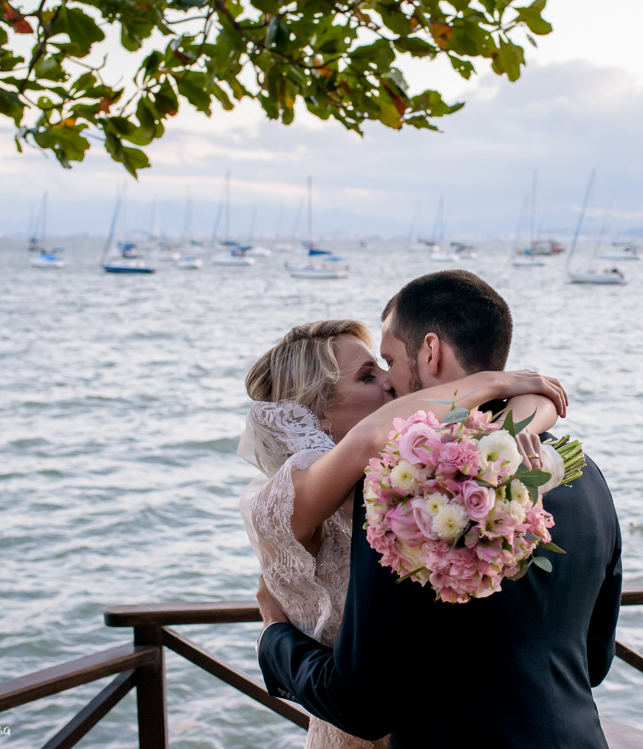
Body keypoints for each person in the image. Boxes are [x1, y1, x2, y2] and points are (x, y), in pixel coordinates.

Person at [255, 270, 623, 749]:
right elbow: (594, 661)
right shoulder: (585, 475)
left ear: (431, 352)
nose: (388, 383)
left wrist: (275, 638)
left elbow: (363, 703)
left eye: (387, 360)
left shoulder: (405, 488)